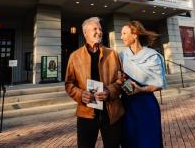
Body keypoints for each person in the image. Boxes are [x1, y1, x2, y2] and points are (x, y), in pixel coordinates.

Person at [65, 17, 124, 148]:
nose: (99, 32)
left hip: (111, 112)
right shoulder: (74, 56)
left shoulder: (113, 54)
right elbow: (69, 83)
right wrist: (80, 95)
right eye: (95, 29)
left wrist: (109, 91)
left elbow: (122, 80)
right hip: (86, 112)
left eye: (101, 29)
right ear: (85, 33)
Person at [119, 20, 168, 148]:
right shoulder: (122, 56)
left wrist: (140, 89)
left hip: (145, 105)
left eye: (124, 33)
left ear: (134, 35)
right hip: (126, 106)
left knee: (148, 142)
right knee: (129, 141)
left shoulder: (152, 56)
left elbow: (158, 84)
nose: (121, 37)